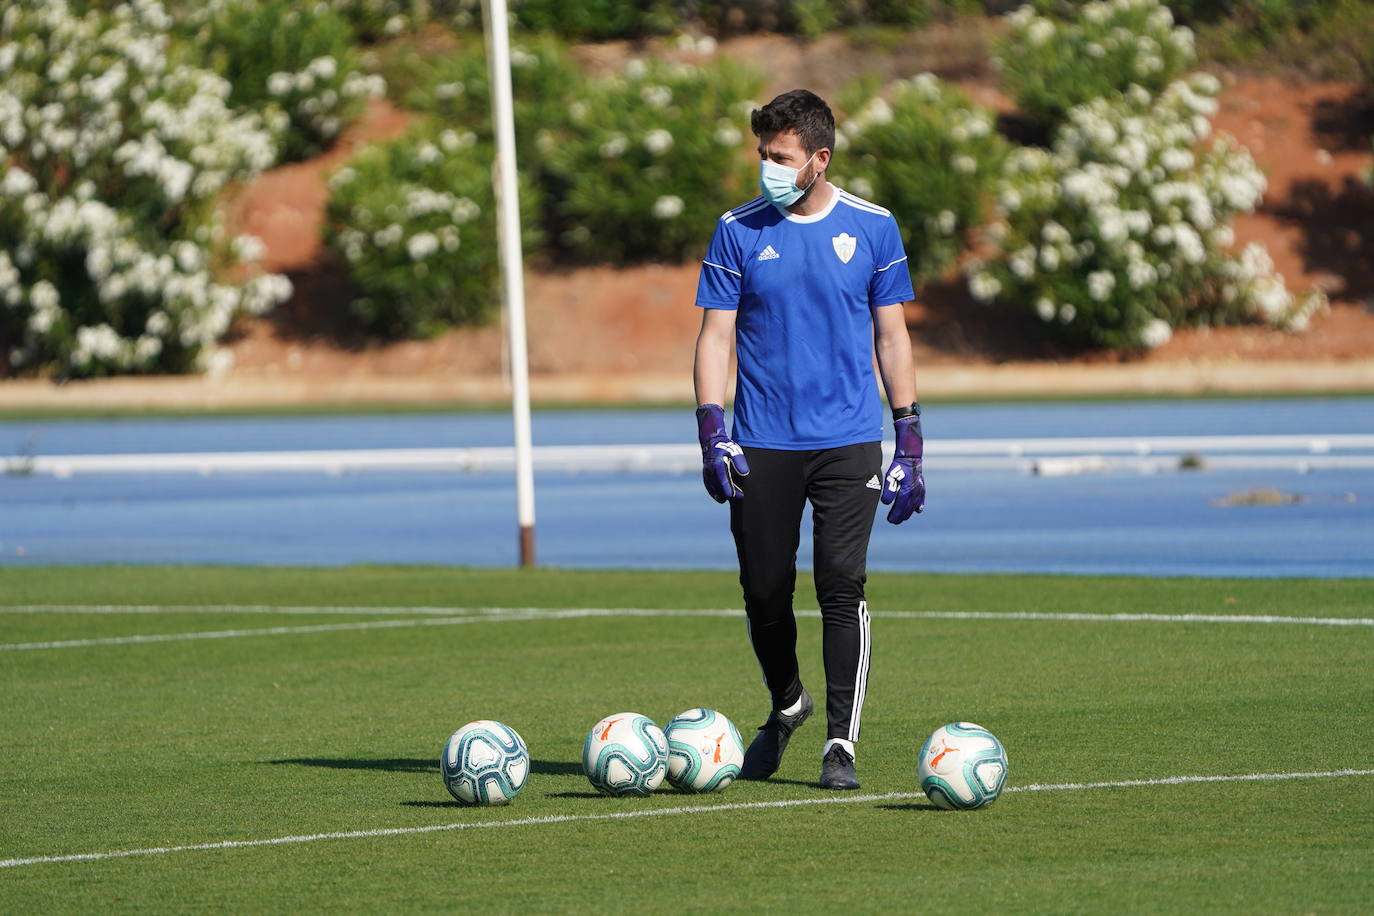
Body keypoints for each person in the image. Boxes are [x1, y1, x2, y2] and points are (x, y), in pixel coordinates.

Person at [692, 88, 925, 791]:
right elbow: (715, 336)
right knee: (763, 590)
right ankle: (788, 703)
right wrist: (712, 430)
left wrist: (909, 438)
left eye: (780, 156)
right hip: (762, 442)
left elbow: (892, 335)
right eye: (762, 153)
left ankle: (840, 745)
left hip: (848, 441)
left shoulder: (873, 227)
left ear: (819, 160)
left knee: (839, 584)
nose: (767, 165)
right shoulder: (737, 229)